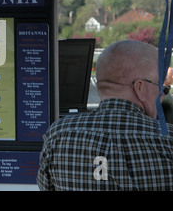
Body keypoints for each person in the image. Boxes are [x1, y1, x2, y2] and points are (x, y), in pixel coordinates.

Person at [37, 40, 173, 191]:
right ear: (139, 87)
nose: (162, 95)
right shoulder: (167, 141)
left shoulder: (58, 135)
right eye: (162, 88)